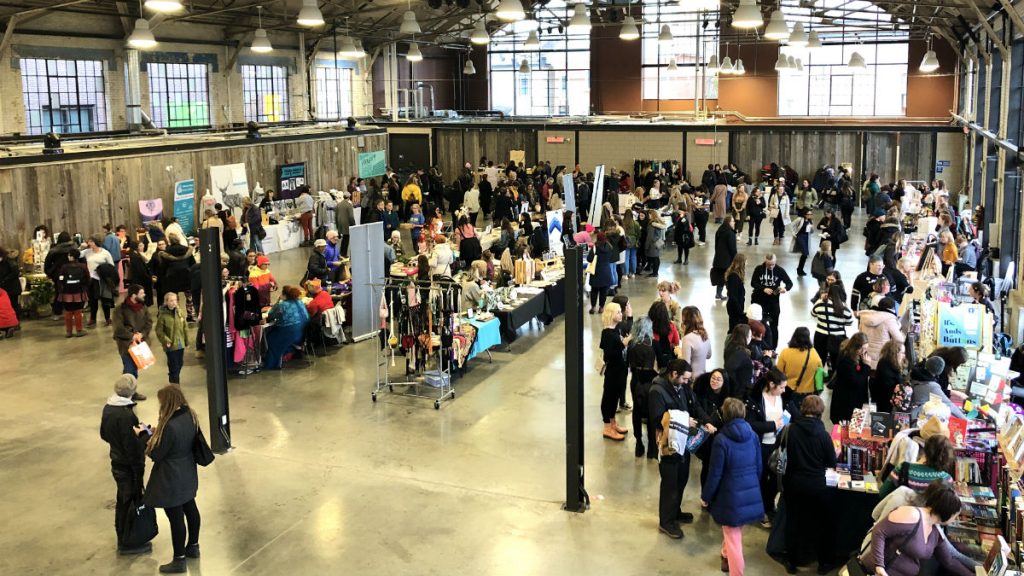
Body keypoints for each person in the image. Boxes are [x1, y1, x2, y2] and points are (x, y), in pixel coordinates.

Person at [700, 398, 764, 576]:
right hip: (749, 492)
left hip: (730, 496)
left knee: (733, 537)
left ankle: (737, 572)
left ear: (725, 415)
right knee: (733, 532)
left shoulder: (721, 440)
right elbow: (759, 467)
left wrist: (706, 496)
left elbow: (715, 473)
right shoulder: (752, 435)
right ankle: (725, 554)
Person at [858, 481, 976, 576]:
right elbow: (879, 531)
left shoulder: (935, 531)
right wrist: (879, 567)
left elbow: (949, 561)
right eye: (955, 515)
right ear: (948, 512)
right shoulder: (912, 515)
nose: (955, 519)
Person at [144, 385, 204, 574]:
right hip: (187, 470)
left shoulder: (169, 426)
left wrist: (145, 438)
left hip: (171, 476)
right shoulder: (190, 415)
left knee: (175, 517)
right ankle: (193, 546)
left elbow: (157, 454)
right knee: (191, 507)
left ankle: (179, 559)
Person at [783, 395, 838, 574]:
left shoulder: (790, 429)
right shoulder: (823, 435)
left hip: (793, 483)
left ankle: (792, 560)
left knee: (793, 521)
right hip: (816, 485)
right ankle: (823, 563)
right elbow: (831, 462)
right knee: (821, 523)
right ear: (820, 412)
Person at [100, 374, 152, 555]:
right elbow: (132, 447)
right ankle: (129, 541)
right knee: (130, 501)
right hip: (128, 465)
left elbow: (104, 434)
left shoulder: (109, 408)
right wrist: (139, 466)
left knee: (123, 499)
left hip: (117, 460)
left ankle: (124, 536)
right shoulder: (126, 415)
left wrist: (119, 442)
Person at [650, 358, 696, 539]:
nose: (687, 383)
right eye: (684, 379)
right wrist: (685, 421)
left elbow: (691, 405)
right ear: (674, 374)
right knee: (670, 484)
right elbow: (657, 419)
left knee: (681, 480)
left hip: (682, 443)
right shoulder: (657, 391)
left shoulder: (681, 387)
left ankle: (675, 512)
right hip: (668, 446)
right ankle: (666, 522)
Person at [745, 369, 790, 528]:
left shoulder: (781, 397)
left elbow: (789, 413)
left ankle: (769, 506)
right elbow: (750, 424)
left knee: (776, 478)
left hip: (777, 444)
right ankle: (762, 511)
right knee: (762, 478)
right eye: (781, 387)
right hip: (761, 446)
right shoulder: (755, 399)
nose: (784, 390)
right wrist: (773, 425)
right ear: (771, 384)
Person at [878, 435, 955, 499]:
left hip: (901, 515)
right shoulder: (947, 479)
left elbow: (883, 493)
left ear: (925, 451)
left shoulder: (903, 468)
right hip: (928, 517)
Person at [693, 368, 732, 490]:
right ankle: (705, 494)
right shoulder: (702, 393)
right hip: (706, 437)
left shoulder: (728, 398)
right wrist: (708, 422)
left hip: (721, 437)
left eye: (718, 379)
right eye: (713, 378)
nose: (714, 381)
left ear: (724, 382)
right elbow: (698, 409)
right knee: (707, 465)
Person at [599, 303, 632, 441]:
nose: (621, 314)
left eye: (621, 312)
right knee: (609, 397)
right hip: (613, 371)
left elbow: (628, 327)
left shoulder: (616, 328)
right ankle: (607, 427)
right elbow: (609, 355)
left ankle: (613, 423)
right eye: (618, 312)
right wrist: (623, 343)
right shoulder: (607, 333)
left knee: (617, 395)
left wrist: (630, 316)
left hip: (620, 369)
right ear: (611, 315)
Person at [627, 317, 659, 458]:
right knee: (652, 412)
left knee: (637, 411)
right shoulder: (652, 345)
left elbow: (629, 365)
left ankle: (638, 443)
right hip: (650, 383)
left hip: (636, 382)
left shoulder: (632, 345)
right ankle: (652, 447)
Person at [113, 284, 154, 385]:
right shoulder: (120, 309)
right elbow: (118, 328)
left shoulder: (143, 307)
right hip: (126, 344)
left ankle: (131, 391)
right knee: (129, 370)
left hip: (140, 344)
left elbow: (149, 323)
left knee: (134, 370)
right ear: (133, 295)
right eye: (141, 293)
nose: (144, 295)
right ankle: (125, 393)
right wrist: (132, 336)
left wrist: (142, 334)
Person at [750, 253, 793, 350]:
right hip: (759, 301)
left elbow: (789, 283)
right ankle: (758, 345)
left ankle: (773, 348)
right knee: (758, 324)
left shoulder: (779, 270)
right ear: (765, 261)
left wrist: (785, 289)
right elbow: (753, 283)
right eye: (769, 264)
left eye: (773, 264)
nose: (771, 266)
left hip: (773, 302)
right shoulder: (759, 269)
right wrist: (763, 288)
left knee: (774, 326)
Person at [263, 285, 310, 370]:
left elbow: (271, 315)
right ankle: (288, 353)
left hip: (290, 333)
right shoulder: (299, 302)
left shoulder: (282, 305)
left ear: (284, 295)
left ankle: (272, 364)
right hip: (303, 333)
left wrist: (278, 301)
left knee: (269, 338)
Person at [829, 332, 871, 423]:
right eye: (862, 349)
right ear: (855, 347)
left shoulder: (857, 356)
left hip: (853, 401)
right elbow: (857, 381)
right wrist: (866, 366)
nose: (864, 352)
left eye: (866, 349)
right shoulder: (846, 359)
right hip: (845, 404)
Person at [811, 284, 853, 368]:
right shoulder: (844, 308)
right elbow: (849, 322)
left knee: (819, 360)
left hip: (820, 335)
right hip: (837, 337)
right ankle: (833, 378)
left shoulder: (820, 303)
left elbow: (813, 314)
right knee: (836, 361)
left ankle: (820, 379)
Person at [858, 297, 905, 370]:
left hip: (865, 356)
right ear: (892, 307)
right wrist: (898, 327)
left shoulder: (865, 317)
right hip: (880, 358)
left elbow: (860, 334)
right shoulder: (889, 319)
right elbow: (899, 339)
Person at [776, 327, 823, 396]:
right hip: (809, 393)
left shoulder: (785, 352)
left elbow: (778, 372)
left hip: (789, 390)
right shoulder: (814, 353)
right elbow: (820, 371)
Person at [155, 292, 189, 385]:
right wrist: (166, 340)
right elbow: (159, 331)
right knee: (174, 366)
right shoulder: (162, 315)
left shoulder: (180, 312)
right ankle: (175, 385)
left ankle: (174, 381)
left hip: (180, 343)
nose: (174, 302)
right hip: (171, 345)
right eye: (171, 300)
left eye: (175, 300)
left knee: (180, 363)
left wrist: (187, 340)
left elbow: (185, 327)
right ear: (166, 302)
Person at [57, 249, 90, 338]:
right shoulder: (83, 266)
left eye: (69, 255)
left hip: (66, 293)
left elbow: (60, 279)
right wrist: (85, 288)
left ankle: (69, 331)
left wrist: (61, 289)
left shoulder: (64, 267)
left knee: (68, 311)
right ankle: (79, 330)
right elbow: (88, 279)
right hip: (79, 292)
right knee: (78, 311)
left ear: (72, 256)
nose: (68, 257)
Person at [85, 234, 116, 327]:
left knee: (105, 300)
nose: (88, 243)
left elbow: (111, 266)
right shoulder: (87, 252)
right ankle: (92, 319)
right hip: (92, 280)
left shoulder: (105, 253)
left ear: (95, 242)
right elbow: (77, 254)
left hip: (103, 280)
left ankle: (107, 318)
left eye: (90, 241)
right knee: (93, 300)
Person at [679, 306, 712, 378]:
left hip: (692, 378)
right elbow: (709, 355)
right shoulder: (704, 334)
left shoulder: (687, 338)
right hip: (703, 375)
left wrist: (679, 353)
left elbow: (686, 364)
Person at [724, 324, 755, 397]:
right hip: (740, 391)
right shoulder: (740, 353)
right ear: (745, 337)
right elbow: (729, 368)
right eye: (750, 336)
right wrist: (736, 388)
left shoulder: (730, 346)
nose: (751, 338)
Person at [589, 233, 615, 313]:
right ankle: (601, 307)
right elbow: (611, 258)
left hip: (596, 271)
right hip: (606, 271)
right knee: (604, 291)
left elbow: (589, 258)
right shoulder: (610, 247)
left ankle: (593, 307)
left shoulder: (594, 248)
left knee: (594, 290)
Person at [713, 216, 738, 300]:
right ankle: (731, 294)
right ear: (728, 222)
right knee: (729, 277)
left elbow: (716, 245)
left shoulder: (719, 230)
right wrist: (736, 259)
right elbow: (732, 248)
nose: (734, 223)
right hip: (727, 260)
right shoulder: (730, 233)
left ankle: (718, 294)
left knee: (721, 277)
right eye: (733, 221)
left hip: (718, 259)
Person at [725, 254, 748, 331]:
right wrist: (740, 312)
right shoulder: (734, 277)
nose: (747, 264)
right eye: (746, 262)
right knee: (734, 329)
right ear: (742, 263)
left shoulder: (737, 275)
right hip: (734, 309)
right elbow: (733, 297)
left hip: (736, 307)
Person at [644, 209, 667, 277]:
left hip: (652, 244)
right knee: (656, 258)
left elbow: (650, 236)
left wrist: (646, 245)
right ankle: (655, 272)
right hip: (657, 243)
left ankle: (655, 273)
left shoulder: (652, 223)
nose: (648, 216)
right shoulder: (657, 222)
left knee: (654, 259)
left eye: (649, 214)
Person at [793, 209, 815, 277]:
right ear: (805, 215)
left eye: (811, 214)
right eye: (808, 214)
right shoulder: (800, 219)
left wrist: (811, 228)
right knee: (805, 253)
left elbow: (812, 232)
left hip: (806, 238)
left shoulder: (810, 221)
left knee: (805, 255)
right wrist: (794, 233)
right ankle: (799, 269)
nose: (810, 216)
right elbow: (792, 225)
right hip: (800, 237)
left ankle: (800, 269)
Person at [335, 190, 356, 256]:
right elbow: (351, 217)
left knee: (344, 239)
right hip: (347, 224)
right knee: (346, 240)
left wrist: (337, 226)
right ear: (349, 197)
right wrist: (353, 225)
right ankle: (343, 253)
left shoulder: (338, 205)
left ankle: (341, 252)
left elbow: (336, 216)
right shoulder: (349, 205)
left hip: (340, 223)